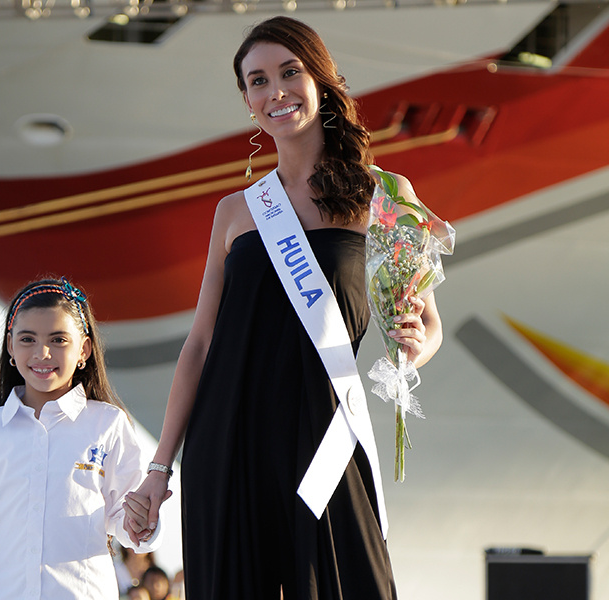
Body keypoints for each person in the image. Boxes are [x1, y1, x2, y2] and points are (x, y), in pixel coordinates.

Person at [123, 16, 443, 600]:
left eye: (290, 73)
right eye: (259, 80)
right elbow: (199, 345)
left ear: (320, 80)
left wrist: (414, 347)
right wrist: (159, 469)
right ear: (247, 100)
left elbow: (425, 324)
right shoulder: (236, 213)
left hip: (326, 435)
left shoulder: (386, 197)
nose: (277, 92)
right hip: (228, 441)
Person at [0, 277, 162, 600]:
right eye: (28, 339)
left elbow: (127, 521)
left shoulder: (108, 423)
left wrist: (142, 523)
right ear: (10, 347)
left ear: (84, 349)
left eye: (58, 340)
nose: (42, 353)